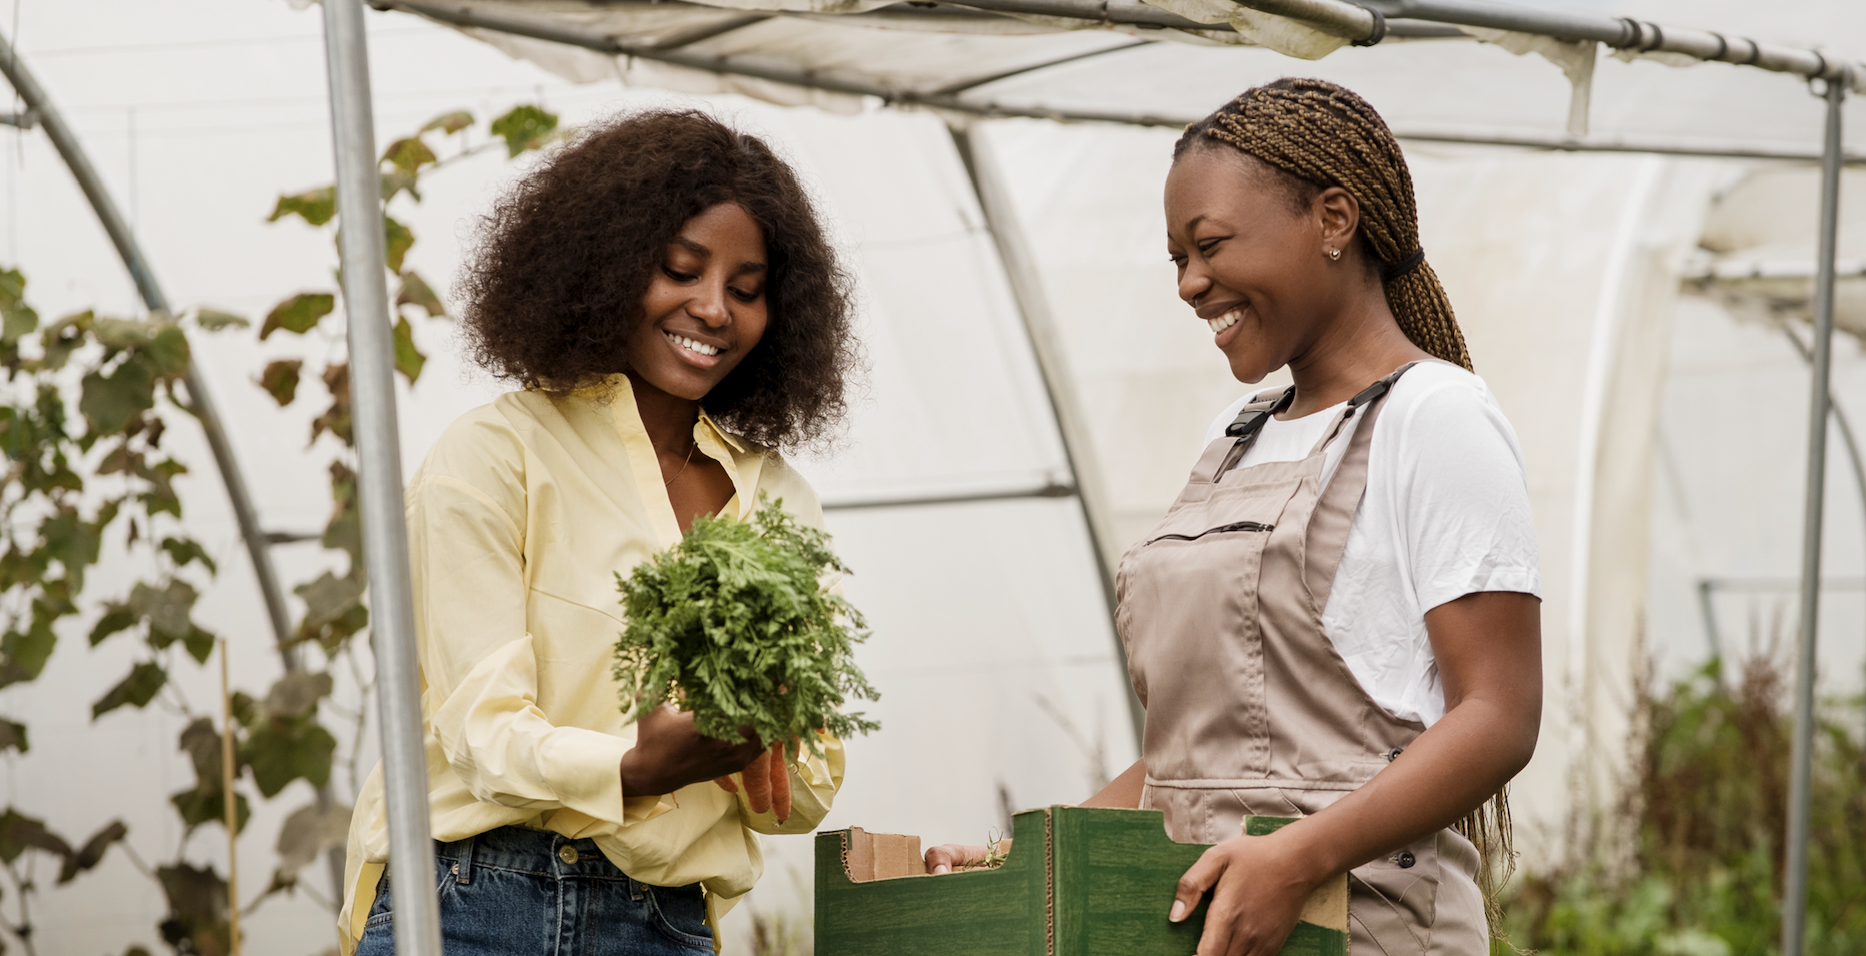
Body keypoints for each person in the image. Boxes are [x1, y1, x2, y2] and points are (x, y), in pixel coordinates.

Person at [926, 78, 1543, 956]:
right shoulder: (1237, 435)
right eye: (1175, 258)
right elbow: (1192, 757)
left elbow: (1498, 715)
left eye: (1208, 245)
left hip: (1365, 930)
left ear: (1334, 220)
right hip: (1216, 929)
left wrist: (1291, 860)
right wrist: (1020, 857)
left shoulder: (1434, 417)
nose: (1188, 283)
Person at [338, 109, 860, 956]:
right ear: (605, 265)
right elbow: (480, 732)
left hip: (662, 920)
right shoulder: (495, 455)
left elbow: (802, 796)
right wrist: (636, 768)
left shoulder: (777, 501)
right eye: (680, 270)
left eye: (746, 287)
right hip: (474, 903)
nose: (713, 308)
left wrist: (753, 746)